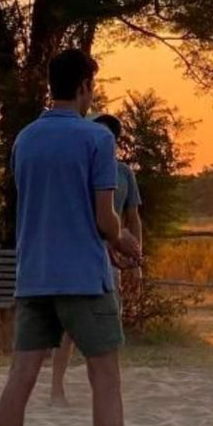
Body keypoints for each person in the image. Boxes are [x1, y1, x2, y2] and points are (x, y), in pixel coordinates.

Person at [0, 49, 146, 426]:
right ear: (84, 86)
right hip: (83, 279)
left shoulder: (25, 140)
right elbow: (102, 217)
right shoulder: (96, 138)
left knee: (19, 382)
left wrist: (110, 237)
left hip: (33, 276)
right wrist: (126, 242)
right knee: (106, 382)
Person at [50, 113, 143, 406]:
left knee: (107, 324)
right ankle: (56, 388)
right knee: (68, 326)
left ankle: (103, 390)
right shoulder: (79, 170)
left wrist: (136, 258)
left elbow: (133, 218)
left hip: (111, 257)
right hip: (79, 254)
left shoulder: (124, 173)